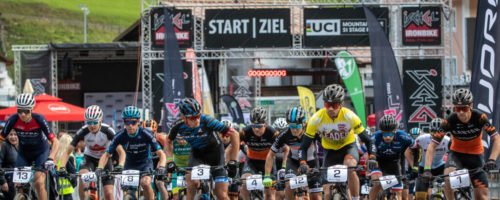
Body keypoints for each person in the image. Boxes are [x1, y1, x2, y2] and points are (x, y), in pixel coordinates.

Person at [300, 84, 374, 200]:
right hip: (330, 152)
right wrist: (303, 162)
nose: (330, 108)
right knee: (328, 194)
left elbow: (368, 140)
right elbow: (304, 146)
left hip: (348, 147)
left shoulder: (350, 116)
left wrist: (372, 157)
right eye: (327, 104)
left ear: (341, 104)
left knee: (350, 167)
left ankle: (355, 198)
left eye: (334, 105)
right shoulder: (316, 119)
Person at [423, 89, 500, 200]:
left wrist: (492, 159)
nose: (461, 112)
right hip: (457, 155)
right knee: (448, 179)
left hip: (476, 157)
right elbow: (432, 145)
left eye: (464, 108)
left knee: (482, 197)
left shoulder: (479, 117)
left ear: (471, 106)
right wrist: (426, 170)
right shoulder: (450, 120)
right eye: (457, 109)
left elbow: (497, 138)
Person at [166, 98, 240, 200]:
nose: (197, 120)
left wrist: (234, 160)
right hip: (197, 154)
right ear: (183, 117)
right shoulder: (178, 125)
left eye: (198, 116)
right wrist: (169, 160)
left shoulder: (207, 120)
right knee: (191, 186)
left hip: (215, 154)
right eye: (193, 118)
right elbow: (168, 141)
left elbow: (234, 134)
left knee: (221, 194)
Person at [97, 106, 165, 200]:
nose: (130, 125)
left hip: (145, 163)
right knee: (129, 193)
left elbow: (161, 154)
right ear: (124, 122)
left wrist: (161, 167)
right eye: (127, 122)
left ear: (138, 122)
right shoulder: (120, 135)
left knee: (145, 183)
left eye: (133, 122)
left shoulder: (146, 133)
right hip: (130, 164)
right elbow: (106, 154)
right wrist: (100, 167)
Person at [0, 93, 59, 200]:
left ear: (32, 110)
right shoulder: (13, 119)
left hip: (41, 152)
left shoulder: (39, 119)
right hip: (24, 153)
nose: (22, 114)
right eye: (19, 111)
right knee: (17, 184)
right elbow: (1, 140)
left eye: (26, 111)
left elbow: (55, 141)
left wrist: (51, 158)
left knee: (38, 182)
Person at [59, 105, 124, 200]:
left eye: (95, 122)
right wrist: (62, 167)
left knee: (109, 193)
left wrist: (121, 164)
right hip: (89, 158)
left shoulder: (108, 131)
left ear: (100, 120)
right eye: (89, 122)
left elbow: (121, 151)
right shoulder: (83, 131)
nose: (92, 125)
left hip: (105, 159)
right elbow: (67, 151)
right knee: (82, 176)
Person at [265, 107, 321, 200]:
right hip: (293, 162)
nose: (294, 130)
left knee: (316, 196)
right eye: (291, 126)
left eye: (297, 126)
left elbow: (327, 145)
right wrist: (267, 176)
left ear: (304, 123)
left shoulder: (312, 130)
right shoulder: (284, 134)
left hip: (312, 162)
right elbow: (270, 155)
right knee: (289, 186)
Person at [368, 115, 415, 200]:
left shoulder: (403, 137)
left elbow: (417, 149)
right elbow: (371, 150)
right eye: (385, 134)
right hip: (379, 163)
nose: (388, 137)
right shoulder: (375, 137)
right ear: (381, 132)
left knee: (400, 195)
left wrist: (415, 166)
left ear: (395, 131)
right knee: (377, 183)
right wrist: (372, 159)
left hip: (396, 164)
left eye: (390, 134)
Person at [240, 107, 279, 200]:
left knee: (269, 193)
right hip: (251, 161)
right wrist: (244, 150)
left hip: (267, 162)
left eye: (259, 126)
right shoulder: (245, 131)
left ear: (265, 124)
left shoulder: (273, 133)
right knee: (244, 183)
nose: (256, 129)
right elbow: (235, 144)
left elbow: (285, 148)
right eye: (254, 126)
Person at [410, 118, 450, 200]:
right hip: (423, 168)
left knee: (448, 192)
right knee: (420, 197)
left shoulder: (448, 140)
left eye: (439, 134)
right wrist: (414, 167)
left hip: (440, 167)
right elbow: (408, 151)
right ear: (429, 131)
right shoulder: (421, 139)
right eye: (433, 133)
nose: (436, 136)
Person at [142, 119, 168, 200]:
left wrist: (161, 167)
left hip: (160, 161)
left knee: (160, 183)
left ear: (155, 131)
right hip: (148, 162)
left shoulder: (162, 138)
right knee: (145, 183)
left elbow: (166, 154)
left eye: (152, 132)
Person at [55, 134, 77, 200]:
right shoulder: (69, 157)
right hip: (67, 189)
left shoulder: (56, 157)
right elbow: (72, 173)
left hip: (58, 188)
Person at [0, 129, 18, 200]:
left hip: (16, 182)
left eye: (15, 134)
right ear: (7, 136)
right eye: (11, 134)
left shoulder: (20, 147)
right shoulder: (4, 146)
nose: (13, 137)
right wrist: (3, 182)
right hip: (7, 183)